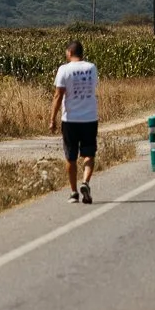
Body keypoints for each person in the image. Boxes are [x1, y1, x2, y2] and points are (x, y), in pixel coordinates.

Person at [51, 39, 99, 203]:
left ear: (69, 53)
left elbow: (58, 96)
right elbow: (93, 88)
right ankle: (85, 182)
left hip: (70, 119)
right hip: (90, 118)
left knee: (71, 157)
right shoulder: (91, 68)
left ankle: (73, 192)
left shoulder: (64, 70)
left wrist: (52, 119)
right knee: (89, 154)